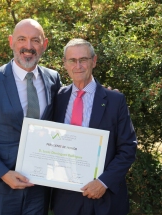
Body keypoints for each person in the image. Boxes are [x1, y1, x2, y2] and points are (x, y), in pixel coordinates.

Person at [0, 18, 61, 215]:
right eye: (21, 39)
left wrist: (103, 94)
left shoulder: (53, 79)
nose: (28, 46)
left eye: (35, 40)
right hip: (0, 188)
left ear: (44, 44)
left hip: (39, 188)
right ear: (11, 42)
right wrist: (2, 173)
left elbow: (63, 121)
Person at [51, 38, 137, 215]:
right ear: (65, 64)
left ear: (94, 61)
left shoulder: (115, 100)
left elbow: (128, 147)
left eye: (83, 59)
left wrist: (104, 182)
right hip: (66, 198)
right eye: (72, 60)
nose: (78, 65)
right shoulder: (57, 99)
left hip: (104, 197)